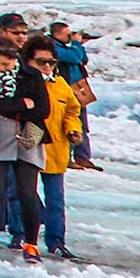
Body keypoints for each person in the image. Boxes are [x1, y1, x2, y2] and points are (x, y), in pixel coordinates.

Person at [0, 35, 51, 261]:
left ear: (15, 60)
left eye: (6, 64)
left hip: (27, 136)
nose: (0, 68)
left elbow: (43, 109)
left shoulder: (31, 74)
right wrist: (22, 103)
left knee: (27, 192)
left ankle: (31, 243)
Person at [27, 36, 83, 258]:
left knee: (56, 200)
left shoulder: (60, 85)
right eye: (41, 62)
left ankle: (56, 241)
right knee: (23, 196)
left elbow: (72, 110)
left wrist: (73, 129)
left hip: (56, 148)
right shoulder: (22, 83)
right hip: (27, 147)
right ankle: (21, 235)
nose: (48, 66)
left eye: (51, 62)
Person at [49, 21, 102, 170]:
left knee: (82, 123)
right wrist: (76, 44)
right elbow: (74, 58)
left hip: (77, 88)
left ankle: (83, 156)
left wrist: (78, 45)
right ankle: (67, 157)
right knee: (69, 124)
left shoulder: (69, 47)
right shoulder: (53, 48)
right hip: (64, 90)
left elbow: (82, 59)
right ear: (57, 34)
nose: (69, 37)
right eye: (67, 34)